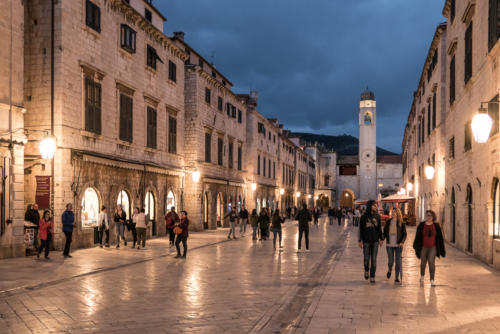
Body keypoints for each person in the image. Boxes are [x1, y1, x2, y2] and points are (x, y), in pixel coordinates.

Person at [413, 210, 446, 286]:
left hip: (433, 247)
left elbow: (440, 238)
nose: (428, 217)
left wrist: (442, 249)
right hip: (423, 247)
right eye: (427, 215)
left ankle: (432, 279)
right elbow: (417, 236)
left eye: (430, 215)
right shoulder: (421, 225)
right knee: (423, 263)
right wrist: (415, 245)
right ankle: (422, 276)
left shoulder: (436, 226)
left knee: (431, 262)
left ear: (433, 217)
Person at [358, 200, 383, 283]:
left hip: (375, 241)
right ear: (370, 206)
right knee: (366, 259)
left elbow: (379, 228)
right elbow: (360, 229)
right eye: (374, 205)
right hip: (366, 241)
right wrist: (360, 240)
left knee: (374, 259)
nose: (376, 207)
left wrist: (381, 239)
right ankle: (366, 270)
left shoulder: (377, 216)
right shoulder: (363, 217)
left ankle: (372, 276)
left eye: (376, 205)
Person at [383, 207, 407, 283]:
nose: (393, 213)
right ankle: (390, 270)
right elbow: (385, 232)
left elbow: (404, 234)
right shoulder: (388, 222)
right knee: (390, 261)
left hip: (398, 245)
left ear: (398, 213)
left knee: (397, 262)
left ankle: (396, 277)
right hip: (389, 244)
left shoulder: (401, 222)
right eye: (392, 212)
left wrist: (402, 242)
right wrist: (381, 239)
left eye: (395, 212)